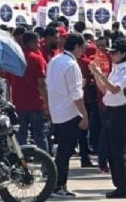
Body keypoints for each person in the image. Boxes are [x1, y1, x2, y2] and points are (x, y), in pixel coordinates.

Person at [89, 39, 126, 199]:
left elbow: (115, 89)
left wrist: (100, 74)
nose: (112, 55)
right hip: (110, 110)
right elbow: (104, 89)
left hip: (121, 112)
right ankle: (118, 185)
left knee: (119, 152)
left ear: (123, 53)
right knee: (111, 151)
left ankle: (123, 187)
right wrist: (96, 74)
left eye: (115, 52)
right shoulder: (116, 68)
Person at [46, 34, 90, 198]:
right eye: (83, 47)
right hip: (69, 112)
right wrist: (84, 114)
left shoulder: (54, 60)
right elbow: (76, 94)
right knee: (65, 152)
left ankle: (57, 184)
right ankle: (58, 185)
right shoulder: (71, 64)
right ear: (77, 46)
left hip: (57, 110)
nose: (83, 51)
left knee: (62, 152)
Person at [8, 31, 49, 152]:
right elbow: (41, 84)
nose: (39, 45)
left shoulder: (14, 59)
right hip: (35, 102)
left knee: (21, 136)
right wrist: (47, 104)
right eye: (37, 42)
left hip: (18, 103)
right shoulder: (37, 59)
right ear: (31, 42)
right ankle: (46, 165)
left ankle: (22, 163)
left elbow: (8, 82)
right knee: (40, 135)